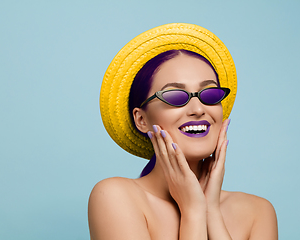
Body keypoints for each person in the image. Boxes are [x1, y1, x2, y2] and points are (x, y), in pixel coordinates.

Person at [88, 23, 278, 240]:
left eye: (209, 94)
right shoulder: (115, 197)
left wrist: (211, 212)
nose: (198, 110)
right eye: (175, 97)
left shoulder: (258, 212)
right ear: (141, 120)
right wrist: (194, 212)